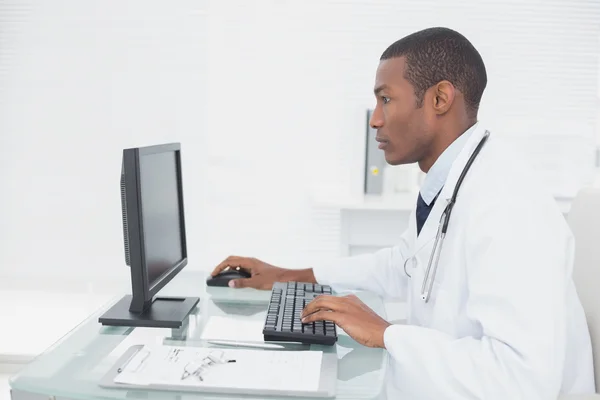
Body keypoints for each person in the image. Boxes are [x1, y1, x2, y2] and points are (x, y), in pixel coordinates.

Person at [210, 27, 594, 399]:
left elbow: (521, 380)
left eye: (386, 99)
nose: (375, 119)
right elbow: (404, 265)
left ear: (440, 98)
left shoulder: (508, 204)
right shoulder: (451, 180)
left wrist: (386, 333)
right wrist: (291, 276)